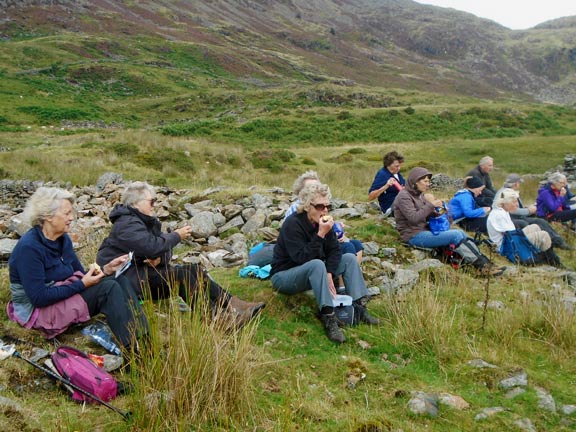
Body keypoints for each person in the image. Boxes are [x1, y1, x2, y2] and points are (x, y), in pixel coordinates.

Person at [97, 181, 265, 329]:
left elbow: (160, 250)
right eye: (151, 201)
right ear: (136, 203)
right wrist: (177, 235)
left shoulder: (143, 222)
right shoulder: (127, 224)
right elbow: (152, 246)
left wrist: (159, 259)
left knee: (193, 270)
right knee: (181, 276)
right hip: (128, 280)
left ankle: (233, 305)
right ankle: (216, 319)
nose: (154, 205)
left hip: (142, 273)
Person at [7, 187, 148, 351]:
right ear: (48, 217)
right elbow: (39, 298)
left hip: (62, 294)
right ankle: (135, 351)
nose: (71, 218)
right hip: (38, 311)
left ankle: (144, 340)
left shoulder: (63, 239)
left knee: (119, 279)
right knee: (108, 289)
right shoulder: (29, 248)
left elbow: (81, 274)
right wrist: (82, 284)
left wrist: (106, 270)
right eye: (66, 213)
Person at [271, 183, 378, 344]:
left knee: (348, 258)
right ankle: (329, 318)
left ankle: (360, 308)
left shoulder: (324, 223)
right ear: (308, 206)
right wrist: (321, 234)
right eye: (320, 206)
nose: (325, 210)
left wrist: (329, 272)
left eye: (328, 206)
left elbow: (335, 251)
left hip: (313, 271)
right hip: (284, 275)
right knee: (316, 264)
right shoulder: (293, 224)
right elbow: (300, 257)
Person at [393, 167, 503, 276]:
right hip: (413, 235)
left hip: (423, 230)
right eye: (425, 181)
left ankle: (485, 264)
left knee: (460, 233)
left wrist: (439, 212)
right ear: (415, 181)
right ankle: (483, 267)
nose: (428, 184)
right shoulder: (404, 196)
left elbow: (425, 215)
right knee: (455, 235)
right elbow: (413, 218)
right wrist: (431, 205)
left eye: (429, 181)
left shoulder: (418, 195)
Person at [284, 170, 364, 266]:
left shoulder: (320, 206)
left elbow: (322, 227)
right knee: (347, 247)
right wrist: (323, 234)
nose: (315, 190)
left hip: (320, 243)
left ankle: (352, 273)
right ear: (302, 190)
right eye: (310, 187)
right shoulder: (297, 211)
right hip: (308, 249)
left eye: (317, 186)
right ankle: (343, 278)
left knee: (357, 244)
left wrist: (336, 231)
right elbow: (299, 239)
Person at [494, 173, 571, 250]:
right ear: (516, 184)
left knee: (540, 221)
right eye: (519, 183)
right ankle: (541, 242)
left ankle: (558, 240)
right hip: (509, 218)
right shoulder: (504, 193)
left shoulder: (508, 191)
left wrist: (526, 208)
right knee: (528, 223)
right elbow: (511, 210)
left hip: (516, 216)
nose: (519, 185)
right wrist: (528, 211)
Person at [488, 188, 561, 267]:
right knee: (543, 235)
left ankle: (545, 256)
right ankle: (553, 262)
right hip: (507, 248)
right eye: (514, 202)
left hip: (509, 241)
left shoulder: (502, 211)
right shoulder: (499, 215)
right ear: (505, 202)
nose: (517, 205)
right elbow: (511, 238)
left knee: (535, 227)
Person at [368, 150, 406, 216]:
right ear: (388, 165)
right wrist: (386, 186)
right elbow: (371, 196)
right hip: (391, 208)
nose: (399, 168)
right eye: (396, 166)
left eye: (400, 166)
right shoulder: (382, 175)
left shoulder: (397, 173)